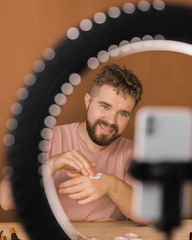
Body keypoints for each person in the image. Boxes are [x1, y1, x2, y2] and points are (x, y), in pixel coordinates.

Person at [0, 64, 143, 221]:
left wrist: (111, 185)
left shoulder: (134, 152)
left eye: (123, 114)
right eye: (105, 106)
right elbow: (6, 200)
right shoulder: (46, 139)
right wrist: (49, 165)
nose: (111, 121)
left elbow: (148, 216)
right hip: (53, 239)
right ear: (88, 102)